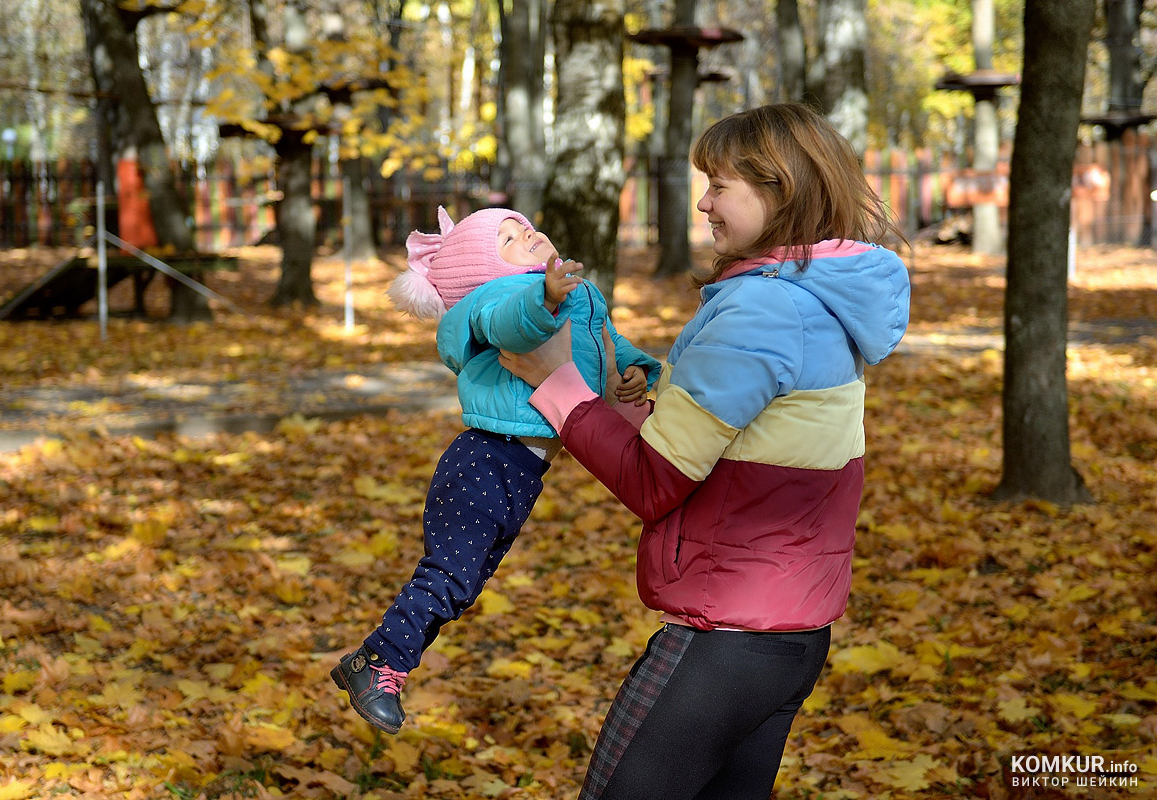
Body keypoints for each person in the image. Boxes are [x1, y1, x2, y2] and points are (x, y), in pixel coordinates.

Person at [498, 103, 911, 799]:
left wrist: (555, 382)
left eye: (719, 185)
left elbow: (654, 483)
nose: (703, 202)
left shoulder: (763, 311)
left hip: (727, 641)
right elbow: (737, 448)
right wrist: (633, 406)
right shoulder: (812, 299)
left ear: (779, 187)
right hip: (790, 630)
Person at [332, 205, 662, 735]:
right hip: (485, 460)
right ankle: (378, 665)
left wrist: (634, 371)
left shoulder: (579, 296)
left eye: (526, 226)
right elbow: (512, 323)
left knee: (463, 585)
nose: (528, 233)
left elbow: (607, 344)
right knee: (449, 574)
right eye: (508, 238)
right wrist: (545, 298)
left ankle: (378, 659)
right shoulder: (496, 299)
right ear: (483, 272)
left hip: (521, 470)